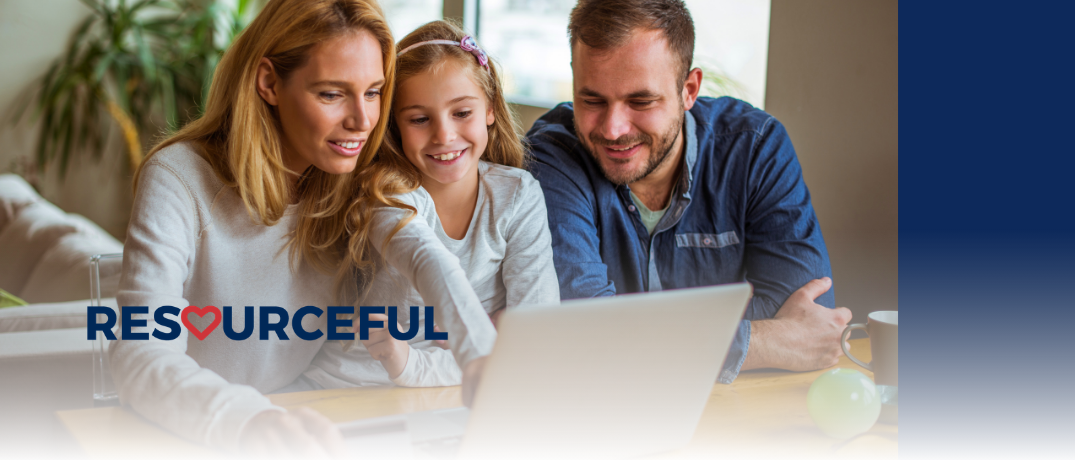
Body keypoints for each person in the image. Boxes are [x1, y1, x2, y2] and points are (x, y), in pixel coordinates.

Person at [108, 1, 496, 457]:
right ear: (269, 83)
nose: (362, 121)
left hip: (301, 419)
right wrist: (253, 422)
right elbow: (139, 351)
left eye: (373, 92)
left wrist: (480, 354)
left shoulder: (358, 177)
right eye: (332, 94)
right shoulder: (178, 177)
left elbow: (423, 254)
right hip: (185, 431)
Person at [525, 0, 852, 384]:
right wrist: (760, 341)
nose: (613, 129)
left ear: (689, 89)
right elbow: (582, 330)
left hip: (738, 410)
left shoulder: (755, 148)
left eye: (641, 101)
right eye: (592, 100)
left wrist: (629, 337)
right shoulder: (551, 157)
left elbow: (809, 316)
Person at [302, 20, 560, 389]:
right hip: (351, 387)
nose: (444, 135)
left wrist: (416, 364)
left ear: (489, 109)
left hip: (458, 391)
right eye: (420, 119)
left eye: (462, 113)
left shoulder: (518, 196)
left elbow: (535, 341)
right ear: (394, 126)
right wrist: (484, 352)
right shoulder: (383, 194)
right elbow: (429, 261)